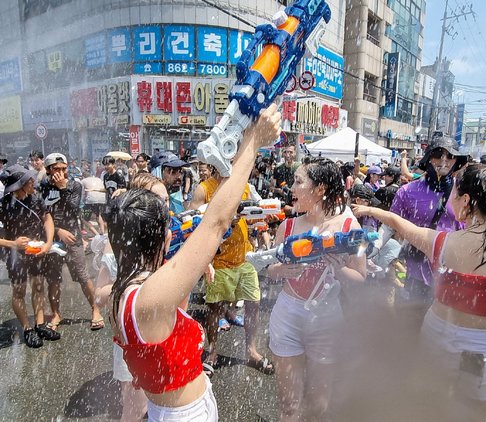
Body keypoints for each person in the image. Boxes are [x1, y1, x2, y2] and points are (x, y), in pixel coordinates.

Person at [107, 104, 281, 421]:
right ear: (159, 234)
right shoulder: (154, 295)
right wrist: (252, 142)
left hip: (173, 409)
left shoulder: (128, 288)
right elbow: (217, 221)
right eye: (165, 218)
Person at [352, 157, 486, 405]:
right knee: (468, 406)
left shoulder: (442, 243)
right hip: (481, 348)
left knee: (430, 403)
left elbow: (401, 225)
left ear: (467, 201)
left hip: (436, 336)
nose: (450, 198)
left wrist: (371, 211)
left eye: (455, 193)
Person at [267, 156, 367, 421]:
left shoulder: (349, 228)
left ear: (319, 189)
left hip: (327, 318)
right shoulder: (287, 226)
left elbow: (361, 278)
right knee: (289, 404)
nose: (291, 187)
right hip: (287, 314)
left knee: (318, 406)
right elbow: (269, 270)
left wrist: (338, 269)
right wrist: (280, 271)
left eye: (299, 182)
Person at [94, 172, 171, 422]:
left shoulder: (164, 235)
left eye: (166, 201)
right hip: (131, 337)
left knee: (157, 397)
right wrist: (135, 286)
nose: (164, 208)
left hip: (159, 333)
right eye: (157, 202)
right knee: (134, 404)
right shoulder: (120, 243)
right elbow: (99, 295)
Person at [375, 136, 467, 336]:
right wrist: (371, 251)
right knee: (409, 328)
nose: (444, 160)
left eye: (450, 156)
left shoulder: (464, 194)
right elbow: (390, 224)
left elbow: (471, 230)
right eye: (438, 155)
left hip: (452, 273)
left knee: (446, 333)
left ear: (456, 161)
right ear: (428, 159)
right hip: (415, 271)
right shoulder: (408, 191)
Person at [190, 158, 274, 377]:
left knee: (254, 303)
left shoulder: (243, 187)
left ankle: (251, 350)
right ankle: (213, 351)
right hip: (218, 260)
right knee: (214, 307)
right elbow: (191, 224)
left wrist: (262, 218)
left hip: (244, 258)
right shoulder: (204, 189)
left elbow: (250, 217)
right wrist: (227, 221)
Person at [40, 153, 104, 331]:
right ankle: (56, 314)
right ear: (48, 170)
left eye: (64, 169)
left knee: (82, 275)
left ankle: (95, 310)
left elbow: (74, 209)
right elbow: (43, 212)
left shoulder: (75, 185)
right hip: (53, 238)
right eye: (56, 169)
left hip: (73, 238)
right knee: (53, 279)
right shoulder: (44, 186)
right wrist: (58, 231)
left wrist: (63, 188)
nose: (61, 173)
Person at [0, 165, 60, 348]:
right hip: (14, 255)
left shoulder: (35, 199)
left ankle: (40, 324)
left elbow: (47, 218)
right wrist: (14, 244)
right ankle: (27, 328)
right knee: (19, 290)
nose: (33, 182)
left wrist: (48, 242)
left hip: (37, 251)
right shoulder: (4, 205)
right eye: (29, 181)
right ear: (20, 185)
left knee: (39, 285)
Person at [270, 145, 298, 214]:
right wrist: (279, 190)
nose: (287, 155)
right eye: (285, 152)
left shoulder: (299, 167)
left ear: (295, 153)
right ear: (282, 154)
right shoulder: (278, 168)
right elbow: (271, 187)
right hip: (281, 203)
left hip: (295, 202)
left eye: (290, 152)